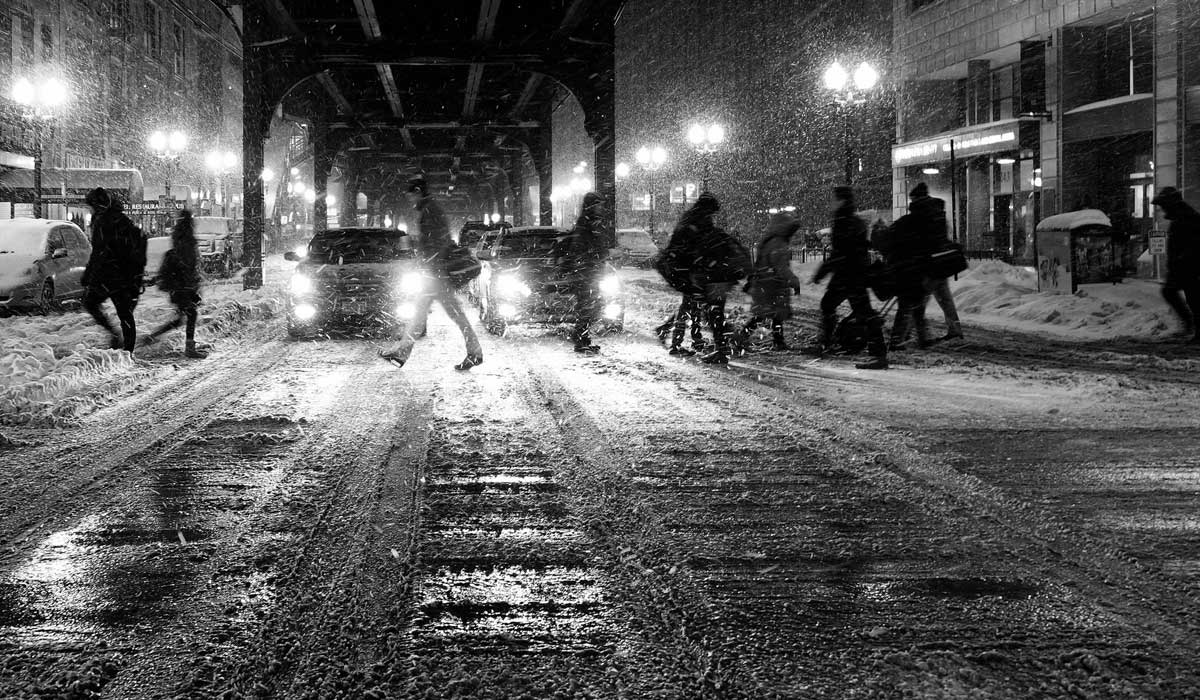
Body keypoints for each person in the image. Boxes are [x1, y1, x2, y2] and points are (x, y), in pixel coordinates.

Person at [380, 176, 483, 370]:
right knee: (436, 313)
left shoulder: (429, 211)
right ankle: (473, 351)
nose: (410, 200)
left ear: (418, 192)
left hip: (436, 272)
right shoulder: (430, 209)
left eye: (411, 195)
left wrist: (429, 262)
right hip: (436, 271)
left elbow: (435, 243)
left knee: (440, 313)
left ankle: (474, 352)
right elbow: (436, 240)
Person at [810, 186, 888, 370]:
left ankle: (878, 354)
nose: (831, 202)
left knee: (863, 313)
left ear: (842, 200)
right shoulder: (853, 220)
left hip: (848, 274)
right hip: (852, 273)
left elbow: (841, 251)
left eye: (833, 198)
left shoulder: (843, 220)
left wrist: (822, 272)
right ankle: (827, 344)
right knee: (836, 306)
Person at [660, 192, 737, 364]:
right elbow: (694, 248)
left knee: (695, 307)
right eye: (712, 212)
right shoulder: (698, 223)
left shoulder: (692, 220)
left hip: (695, 272)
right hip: (697, 273)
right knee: (706, 310)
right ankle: (714, 346)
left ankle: (681, 340)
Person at [81, 187, 146, 353]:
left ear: (97, 205)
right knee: (125, 314)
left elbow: (99, 252)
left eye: (91, 206)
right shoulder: (121, 219)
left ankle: (118, 339)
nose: (90, 210)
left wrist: (88, 275)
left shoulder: (103, 222)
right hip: (123, 276)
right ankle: (128, 349)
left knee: (91, 304)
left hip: (109, 275)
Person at [141, 210, 207, 358]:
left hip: (178, 285)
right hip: (183, 285)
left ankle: (153, 337)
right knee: (190, 314)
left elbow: (183, 263)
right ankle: (188, 346)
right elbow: (188, 265)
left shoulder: (180, 236)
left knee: (183, 317)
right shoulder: (187, 239)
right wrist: (191, 286)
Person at [884, 183, 940, 351]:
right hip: (920, 269)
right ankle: (904, 340)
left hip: (904, 268)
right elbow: (932, 246)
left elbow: (891, 241)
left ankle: (901, 339)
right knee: (914, 305)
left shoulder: (906, 221)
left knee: (909, 304)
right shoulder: (930, 221)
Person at [735, 212, 802, 352]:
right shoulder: (778, 243)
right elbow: (781, 267)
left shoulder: (770, 241)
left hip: (766, 284)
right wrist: (794, 281)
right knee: (770, 314)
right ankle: (745, 337)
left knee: (770, 314)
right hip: (772, 286)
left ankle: (773, 340)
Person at [555, 191, 610, 354]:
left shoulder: (589, 223)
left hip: (588, 272)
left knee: (590, 307)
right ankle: (580, 340)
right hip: (586, 274)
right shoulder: (586, 225)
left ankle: (582, 339)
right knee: (589, 308)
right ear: (592, 206)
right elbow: (579, 249)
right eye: (599, 205)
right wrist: (598, 256)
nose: (601, 208)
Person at [913, 186, 962, 342]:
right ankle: (955, 328)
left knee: (918, 300)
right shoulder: (939, 213)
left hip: (928, 264)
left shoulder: (921, 214)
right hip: (941, 262)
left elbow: (919, 240)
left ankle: (914, 334)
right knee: (945, 298)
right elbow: (943, 236)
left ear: (917, 198)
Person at [1152, 186, 1200, 342]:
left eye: (1163, 206)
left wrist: (1181, 260)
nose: (1162, 210)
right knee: (1188, 296)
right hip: (1185, 266)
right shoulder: (1183, 217)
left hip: (1189, 266)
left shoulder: (1186, 219)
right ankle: (1192, 326)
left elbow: (1192, 244)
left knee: (1190, 296)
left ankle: (1191, 326)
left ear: (1170, 204)